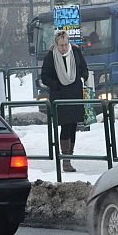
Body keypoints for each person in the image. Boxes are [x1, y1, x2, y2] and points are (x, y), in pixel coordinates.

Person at [40, 29, 89, 172]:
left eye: (66, 44)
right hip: (60, 96)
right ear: (56, 44)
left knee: (73, 125)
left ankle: (69, 157)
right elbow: (45, 77)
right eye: (61, 45)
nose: (64, 48)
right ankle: (65, 160)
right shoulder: (51, 56)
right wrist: (56, 85)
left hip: (75, 93)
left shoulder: (76, 52)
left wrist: (82, 78)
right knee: (65, 126)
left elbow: (84, 69)